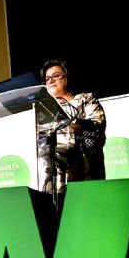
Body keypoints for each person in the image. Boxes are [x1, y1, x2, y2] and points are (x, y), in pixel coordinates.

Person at [37, 58, 106, 195]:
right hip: (48, 175)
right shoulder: (40, 110)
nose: (50, 80)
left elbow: (97, 125)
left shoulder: (86, 99)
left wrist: (73, 123)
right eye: (47, 78)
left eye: (55, 76)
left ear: (67, 78)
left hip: (80, 173)